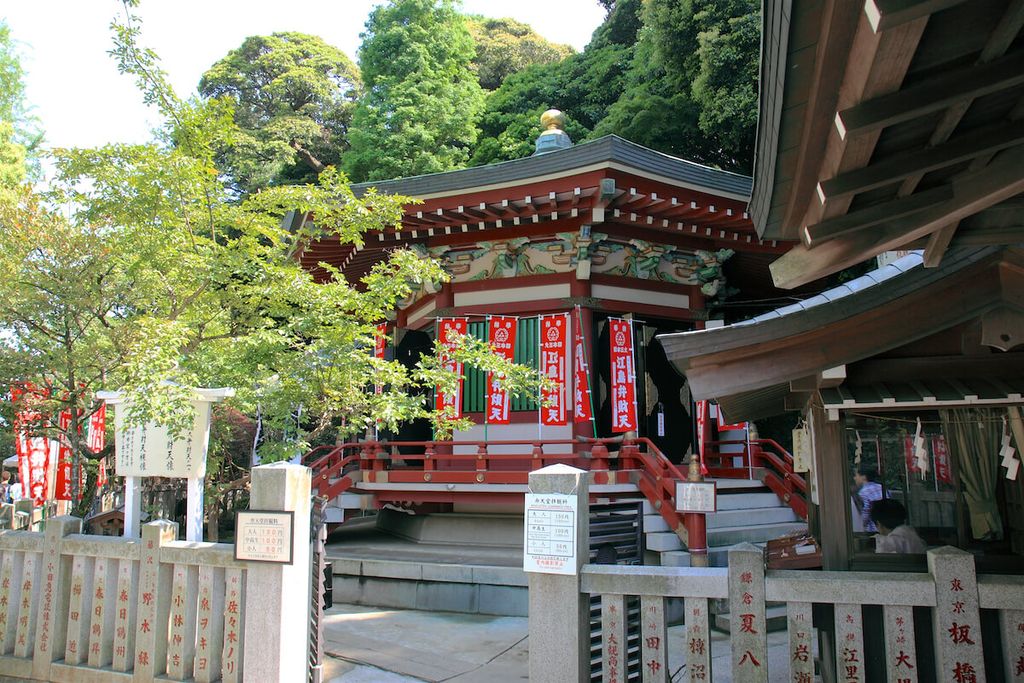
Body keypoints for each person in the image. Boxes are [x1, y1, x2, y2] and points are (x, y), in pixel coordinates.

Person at [854, 467, 884, 532]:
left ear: (863, 477)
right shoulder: (882, 488)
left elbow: (864, 517)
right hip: (886, 528)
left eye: (856, 475)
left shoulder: (863, 493)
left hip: (872, 530)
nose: (855, 478)